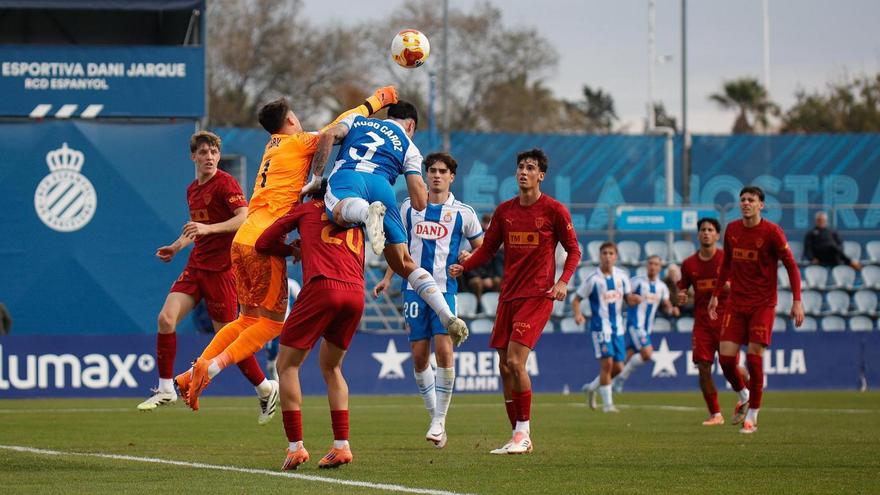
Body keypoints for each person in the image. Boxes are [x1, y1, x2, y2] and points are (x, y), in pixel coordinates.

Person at [175, 88, 398, 410]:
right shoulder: (298, 142)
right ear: (291, 120)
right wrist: (377, 100)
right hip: (262, 242)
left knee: (246, 318)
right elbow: (340, 125)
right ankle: (210, 369)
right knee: (272, 324)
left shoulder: (272, 147)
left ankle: (192, 372)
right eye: (296, 117)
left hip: (242, 240)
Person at [449, 148, 581, 455]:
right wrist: (465, 266)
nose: (524, 171)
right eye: (521, 166)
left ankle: (524, 433)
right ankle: (516, 435)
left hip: (537, 296)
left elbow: (574, 250)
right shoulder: (505, 211)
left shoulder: (554, 210)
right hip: (508, 295)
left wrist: (563, 281)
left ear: (541, 176)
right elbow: (488, 249)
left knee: (515, 362)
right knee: (504, 366)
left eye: (530, 167)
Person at [137, 131, 274, 424]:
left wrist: (208, 229)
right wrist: (176, 246)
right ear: (193, 157)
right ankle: (165, 389)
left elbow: (244, 217)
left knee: (227, 339)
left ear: (218, 156)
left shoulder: (226, 183)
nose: (209, 157)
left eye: (213, 152)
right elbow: (196, 228)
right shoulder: (192, 189)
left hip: (223, 271)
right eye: (203, 152)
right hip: (197, 266)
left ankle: (264, 388)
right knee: (165, 319)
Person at [314, 101, 470, 344]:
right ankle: (448, 316)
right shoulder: (409, 146)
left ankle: (365, 214)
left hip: (349, 177)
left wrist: (316, 178)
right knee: (404, 263)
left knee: (338, 212)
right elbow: (420, 203)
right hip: (382, 187)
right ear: (411, 125)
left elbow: (327, 136)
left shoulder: (357, 120)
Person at [372, 152, 483, 449]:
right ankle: (435, 415)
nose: (436, 175)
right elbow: (399, 248)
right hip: (413, 290)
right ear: (425, 175)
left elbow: (482, 247)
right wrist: (387, 278)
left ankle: (439, 420)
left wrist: (468, 259)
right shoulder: (408, 208)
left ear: (452, 177)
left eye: (442, 171)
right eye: (432, 170)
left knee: (445, 351)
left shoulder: (463, 213)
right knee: (420, 356)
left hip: (445, 290)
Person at [253, 179, 365, 470]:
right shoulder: (356, 216)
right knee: (332, 367)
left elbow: (263, 242)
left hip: (322, 288)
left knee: (286, 366)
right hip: (356, 293)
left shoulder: (306, 209)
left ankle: (296, 447)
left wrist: (292, 250)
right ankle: (341, 446)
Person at [708, 186, 804, 434]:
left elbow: (791, 266)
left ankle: (753, 415)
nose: (746, 203)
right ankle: (744, 394)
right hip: (736, 303)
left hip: (763, 304)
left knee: (753, 358)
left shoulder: (772, 232)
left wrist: (797, 300)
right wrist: (716, 295)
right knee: (725, 359)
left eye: (751, 200)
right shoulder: (732, 230)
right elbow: (726, 264)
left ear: (761, 205)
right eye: (742, 200)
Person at [677, 218, 747, 426]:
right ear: (698, 234)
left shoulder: (727, 259)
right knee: (703, 367)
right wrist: (681, 295)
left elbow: (744, 284)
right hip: (703, 325)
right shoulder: (689, 264)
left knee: (731, 367)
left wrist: (731, 287)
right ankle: (716, 414)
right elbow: (683, 288)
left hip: (727, 322)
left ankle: (748, 395)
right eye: (703, 230)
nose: (706, 232)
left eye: (710, 230)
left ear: (717, 235)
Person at [572, 242, 640, 413]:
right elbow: (576, 299)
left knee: (619, 368)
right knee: (607, 364)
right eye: (604, 253)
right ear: (599, 256)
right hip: (600, 327)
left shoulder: (622, 277)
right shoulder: (593, 279)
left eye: (611, 253)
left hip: (618, 328)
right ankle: (608, 405)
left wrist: (634, 300)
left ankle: (592, 388)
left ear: (616, 256)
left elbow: (628, 299)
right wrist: (578, 314)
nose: (607, 256)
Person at [612, 254, 678, 391]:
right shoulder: (637, 282)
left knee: (626, 358)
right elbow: (623, 295)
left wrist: (672, 310)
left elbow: (666, 305)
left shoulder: (662, 287)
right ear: (647, 266)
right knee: (647, 353)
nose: (653, 266)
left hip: (647, 328)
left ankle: (605, 384)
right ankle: (620, 378)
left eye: (656, 264)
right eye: (650, 263)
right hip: (635, 324)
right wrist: (630, 299)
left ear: (660, 268)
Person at [464, 213, 503, 307]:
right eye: (486, 222)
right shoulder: (471, 240)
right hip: (475, 276)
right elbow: (469, 263)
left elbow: (496, 264)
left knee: (498, 280)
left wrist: (490, 277)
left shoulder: (494, 246)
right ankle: (478, 307)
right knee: (476, 282)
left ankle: (497, 305)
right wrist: (482, 278)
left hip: (488, 275)